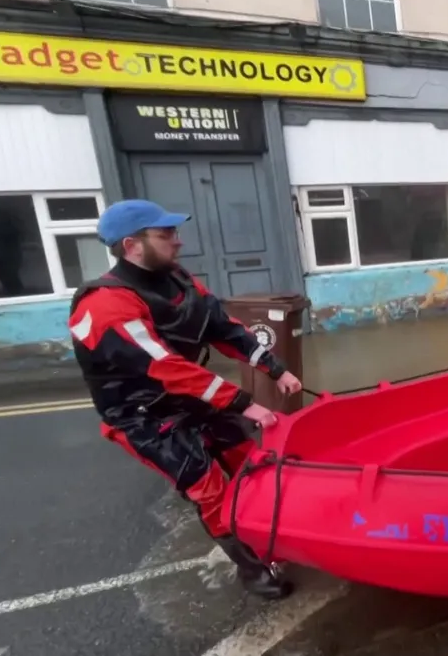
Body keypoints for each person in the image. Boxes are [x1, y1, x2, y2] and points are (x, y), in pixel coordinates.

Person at [67, 199, 303, 600]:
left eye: (175, 232)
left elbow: (223, 327)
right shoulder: (105, 305)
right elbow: (165, 366)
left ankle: (270, 535)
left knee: (250, 461)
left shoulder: (179, 280)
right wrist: (244, 402)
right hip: (141, 416)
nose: (178, 242)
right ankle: (251, 569)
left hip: (187, 397)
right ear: (132, 245)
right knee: (208, 488)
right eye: (166, 234)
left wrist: (275, 368)